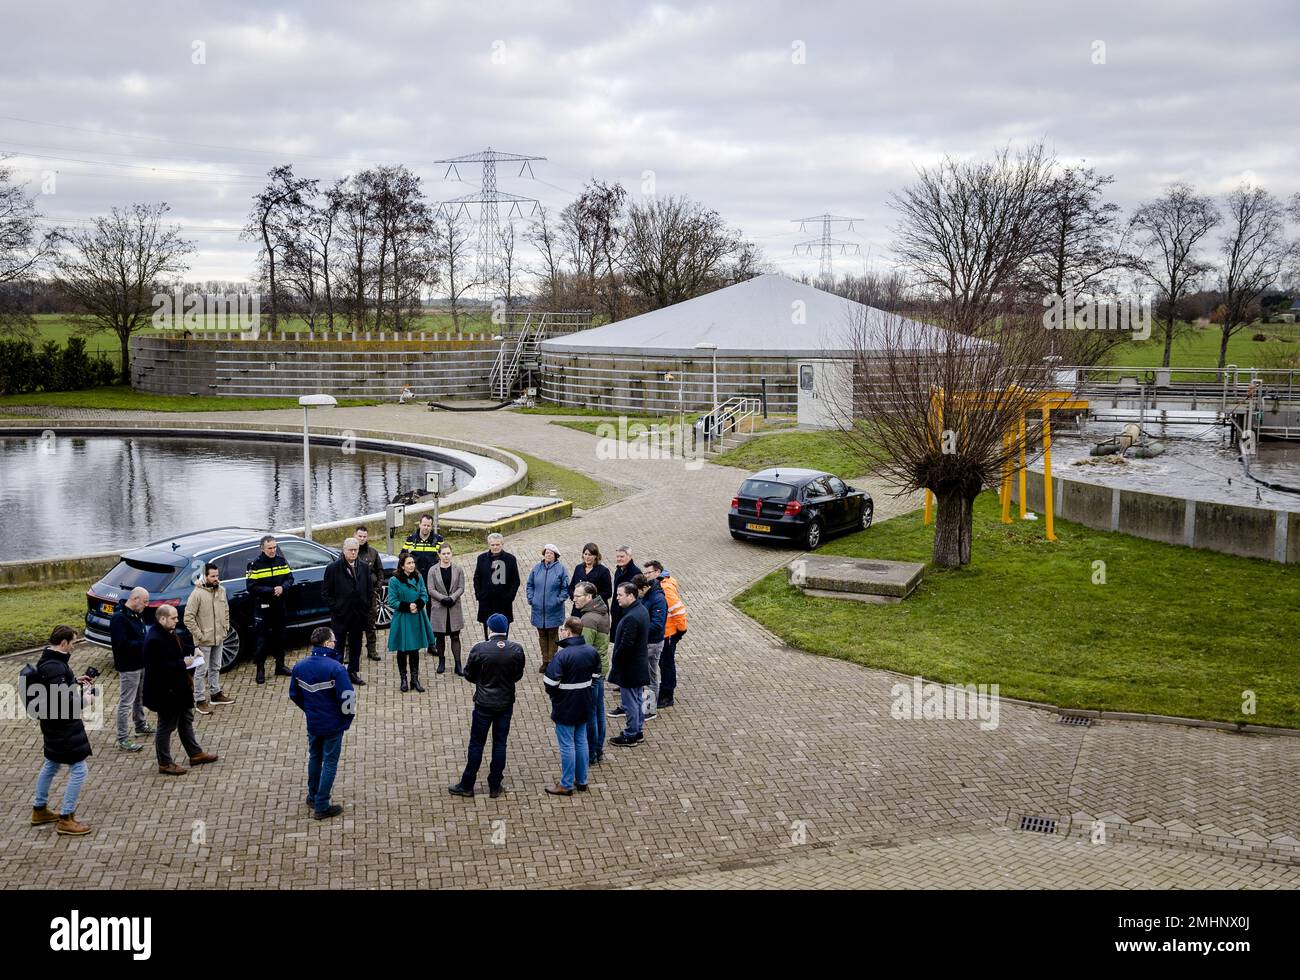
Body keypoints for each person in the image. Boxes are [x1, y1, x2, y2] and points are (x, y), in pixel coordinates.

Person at [448, 613, 525, 799]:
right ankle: (495, 785)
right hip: (505, 702)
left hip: (484, 703)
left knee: (476, 744)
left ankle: (467, 785)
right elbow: (518, 674)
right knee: (500, 744)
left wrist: (481, 682)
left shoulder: (480, 649)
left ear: (490, 628)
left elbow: (468, 674)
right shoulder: (516, 649)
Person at [28, 625, 94, 836]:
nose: (75, 645)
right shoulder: (55, 666)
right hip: (63, 727)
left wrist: (74, 680)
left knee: (51, 764)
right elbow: (63, 701)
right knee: (79, 769)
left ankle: (39, 810)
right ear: (64, 643)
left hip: (52, 725)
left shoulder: (49, 661)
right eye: (73, 642)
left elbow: (54, 688)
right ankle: (66, 818)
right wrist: (85, 700)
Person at [143, 604, 219, 776]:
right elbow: (157, 667)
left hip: (179, 689)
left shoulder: (167, 632)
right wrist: (182, 663)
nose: (177, 621)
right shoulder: (154, 639)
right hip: (166, 692)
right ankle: (164, 763)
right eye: (173, 618)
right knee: (166, 726)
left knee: (186, 721)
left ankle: (195, 754)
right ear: (162, 619)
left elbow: (179, 647)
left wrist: (193, 650)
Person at [288, 626, 355, 820]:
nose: (335, 643)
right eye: (333, 641)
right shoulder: (336, 668)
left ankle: (312, 795)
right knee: (330, 763)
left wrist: (310, 710)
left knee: (315, 757)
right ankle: (322, 805)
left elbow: (294, 694)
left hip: (314, 723)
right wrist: (346, 719)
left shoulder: (299, 667)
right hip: (333, 724)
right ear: (327, 644)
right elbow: (348, 698)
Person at [543, 617, 600, 796]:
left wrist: (557, 694)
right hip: (584, 703)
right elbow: (596, 676)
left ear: (568, 632)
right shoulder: (591, 651)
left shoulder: (562, 655)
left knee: (567, 745)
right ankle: (582, 780)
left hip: (566, 705)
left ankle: (566, 784)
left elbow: (550, 682)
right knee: (581, 741)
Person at [184, 563, 234, 715]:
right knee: (201, 671)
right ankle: (199, 700)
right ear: (205, 576)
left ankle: (215, 694)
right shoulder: (197, 594)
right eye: (212, 576)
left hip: (219, 637)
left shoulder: (222, 590)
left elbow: (225, 610)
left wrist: (225, 628)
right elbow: (188, 618)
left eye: (217, 576)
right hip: (203, 641)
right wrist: (199, 635)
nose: (216, 579)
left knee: (216, 667)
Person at [322, 537, 373, 686]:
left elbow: (369, 589)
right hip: (341, 615)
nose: (353, 553)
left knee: (356, 644)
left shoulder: (364, 567)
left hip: (358, 614)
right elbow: (326, 593)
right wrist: (336, 608)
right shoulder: (333, 568)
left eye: (355, 550)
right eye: (350, 550)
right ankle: (337, 674)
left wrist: (366, 605)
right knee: (338, 645)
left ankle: (353, 672)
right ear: (344, 550)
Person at [109, 586, 153, 752]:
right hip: (129, 667)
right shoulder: (119, 619)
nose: (146, 605)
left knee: (139, 697)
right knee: (126, 702)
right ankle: (122, 738)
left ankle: (140, 725)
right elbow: (121, 645)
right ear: (135, 599)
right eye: (145, 601)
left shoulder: (136, 614)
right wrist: (145, 644)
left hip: (141, 663)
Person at [246, 534, 294, 685]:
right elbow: (251, 586)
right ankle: (260, 670)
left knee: (280, 637)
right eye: (270, 548)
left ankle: (280, 666)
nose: (273, 550)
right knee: (261, 639)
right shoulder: (255, 564)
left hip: (279, 606)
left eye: (274, 547)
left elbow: (290, 578)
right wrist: (272, 590)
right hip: (263, 607)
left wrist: (283, 587)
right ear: (262, 548)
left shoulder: (281, 561)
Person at [573, 582, 611, 764]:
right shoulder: (602, 610)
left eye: (577, 596)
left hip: (592, 672)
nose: (574, 599)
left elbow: (584, 650)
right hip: (601, 667)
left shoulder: (588, 619)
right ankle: (599, 749)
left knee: (591, 714)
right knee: (599, 711)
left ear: (588, 597)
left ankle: (592, 752)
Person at [386, 551, 435, 692]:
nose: (412, 565)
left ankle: (415, 679)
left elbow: (424, 594)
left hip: (416, 617)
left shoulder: (418, 577)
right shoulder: (394, 580)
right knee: (402, 650)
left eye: (413, 562)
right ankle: (403, 679)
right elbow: (392, 600)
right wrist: (408, 606)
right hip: (403, 618)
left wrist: (418, 604)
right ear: (402, 566)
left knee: (414, 650)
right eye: (408, 563)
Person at [607, 583, 649, 747]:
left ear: (631, 596)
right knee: (637, 700)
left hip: (630, 668)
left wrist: (616, 658)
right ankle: (637, 731)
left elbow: (626, 645)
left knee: (630, 702)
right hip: (637, 666)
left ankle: (630, 734)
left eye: (620, 595)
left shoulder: (632, 616)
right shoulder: (641, 610)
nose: (617, 598)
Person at [646, 560, 687, 709]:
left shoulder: (666, 590)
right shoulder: (660, 586)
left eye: (648, 573)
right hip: (666, 632)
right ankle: (664, 693)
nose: (646, 576)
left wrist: (680, 631)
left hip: (668, 634)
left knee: (666, 664)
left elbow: (679, 610)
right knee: (664, 663)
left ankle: (667, 695)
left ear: (657, 572)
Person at [526, 544, 570, 673]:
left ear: (556, 556)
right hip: (538, 609)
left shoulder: (561, 569)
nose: (548, 555)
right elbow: (530, 584)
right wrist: (531, 598)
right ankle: (545, 660)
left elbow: (565, 588)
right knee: (542, 635)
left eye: (551, 553)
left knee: (552, 634)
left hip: (554, 609)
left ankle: (552, 661)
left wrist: (558, 600)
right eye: (546, 553)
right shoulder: (537, 568)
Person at [427, 543, 466, 675]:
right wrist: (443, 598)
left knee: (455, 637)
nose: (446, 556)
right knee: (440, 637)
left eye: (448, 553)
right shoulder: (433, 570)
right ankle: (441, 661)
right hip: (439, 608)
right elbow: (431, 589)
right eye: (443, 554)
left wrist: (452, 598)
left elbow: (461, 587)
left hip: (454, 607)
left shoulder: (458, 569)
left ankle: (458, 664)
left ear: (452, 553)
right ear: (439, 555)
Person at [472, 532, 520, 640]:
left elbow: (515, 580)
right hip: (486, 601)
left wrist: (509, 597)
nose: (495, 547)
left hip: (503, 602)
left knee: (504, 631)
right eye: (492, 545)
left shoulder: (510, 559)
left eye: (497, 544)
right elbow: (477, 578)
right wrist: (479, 595)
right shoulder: (481, 558)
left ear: (502, 544)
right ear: (489, 545)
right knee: (487, 630)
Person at [634, 570, 668, 721]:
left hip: (653, 643)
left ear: (643, 588)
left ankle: (650, 709)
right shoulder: (646, 596)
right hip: (645, 642)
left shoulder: (657, 599)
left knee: (650, 676)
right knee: (646, 674)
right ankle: (644, 705)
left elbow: (658, 624)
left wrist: (639, 629)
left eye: (637, 593)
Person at [354, 525, 385, 663]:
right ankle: (351, 651)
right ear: (355, 535)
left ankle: (371, 650)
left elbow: (380, 571)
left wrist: (378, 587)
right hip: (354, 596)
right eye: (359, 536)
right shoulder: (349, 552)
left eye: (364, 536)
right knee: (353, 624)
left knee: (371, 624)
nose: (362, 539)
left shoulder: (372, 552)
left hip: (370, 594)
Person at [568, 542, 612, 610]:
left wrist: (591, 601)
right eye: (585, 554)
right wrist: (575, 598)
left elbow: (608, 592)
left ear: (596, 556)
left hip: (595, 608)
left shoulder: (604, 571)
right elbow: (571, 587)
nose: (587, 557)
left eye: (590, 555)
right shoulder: (578, 568)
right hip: (578, 609)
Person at [609, 545, 641, 636]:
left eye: (622, 556)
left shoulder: (636, 573)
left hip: (627, 612)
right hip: (616, 611)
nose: (619, 559)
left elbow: (637, 596)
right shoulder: (618, 571)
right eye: (617, 556)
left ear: (629, 557)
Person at [405, 514, 443, 580]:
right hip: (414, 576)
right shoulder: (410, 539)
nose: (426, 527)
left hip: (432, 577)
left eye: (428, 526)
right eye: (424, 525)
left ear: (431, 527)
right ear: (419, 525)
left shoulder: (438, 540)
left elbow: (444, 557)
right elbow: (402, 556)